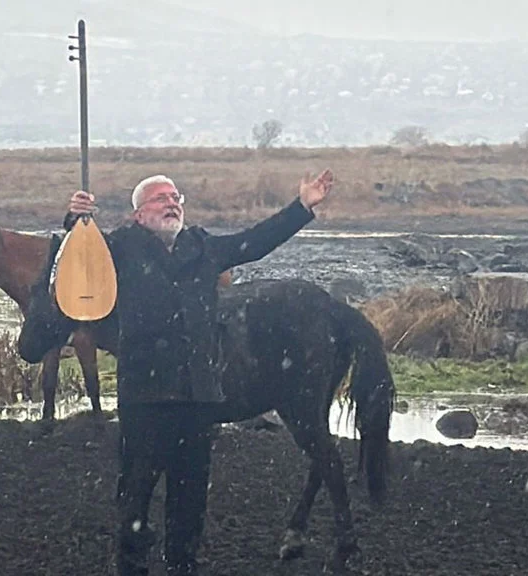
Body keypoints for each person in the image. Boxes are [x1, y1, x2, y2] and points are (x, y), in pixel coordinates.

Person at [61, 169, 334, 576]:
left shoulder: (201, 247)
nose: (172, 204)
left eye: (176, 198)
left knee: (189, 506)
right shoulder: (118, 248)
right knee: (134, 499)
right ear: (139, 214)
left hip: (198, 399)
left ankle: (181, 569)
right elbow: (78, 263)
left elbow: (254, 243)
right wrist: (76, 220)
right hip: (145, 398)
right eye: (160, 199)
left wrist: (302, 207)